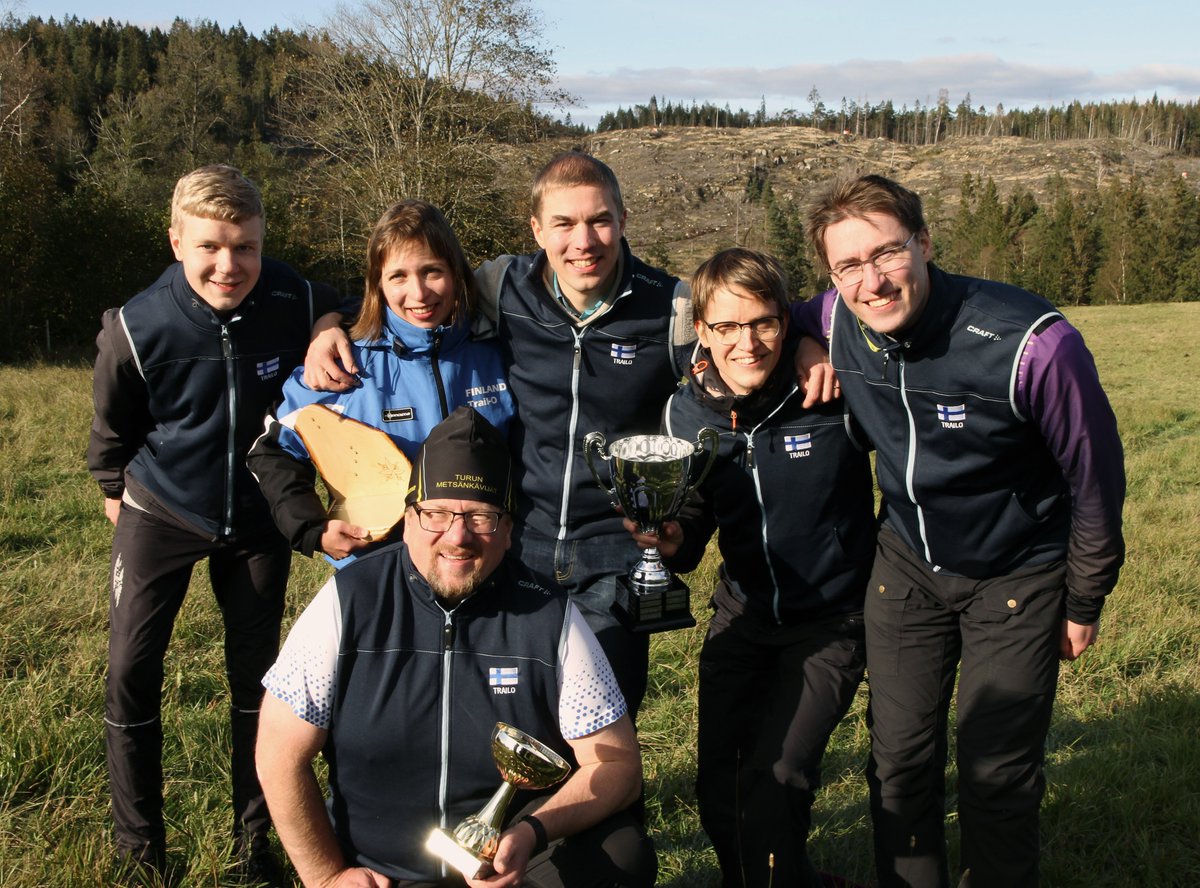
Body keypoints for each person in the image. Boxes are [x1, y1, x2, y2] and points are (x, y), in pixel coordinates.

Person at [797, 174, 1126, 888]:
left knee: (996, 773)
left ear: (924, 243)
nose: (872, 282)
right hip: (908, 562)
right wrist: (800, 346)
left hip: (1017, 573)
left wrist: (1084, 599)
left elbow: (1096, 482)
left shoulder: (1032, 343)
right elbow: (773, 320)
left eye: (887, 254)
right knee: (898, 761)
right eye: (849, 266)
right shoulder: (832, 316)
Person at [304, 152, 696, 721]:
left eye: (599, 220)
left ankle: (604, 810)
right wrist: (328, 327)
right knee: (511, 715)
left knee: (603, 718)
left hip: (615, 548)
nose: (583, 240)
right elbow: (404, 294)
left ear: (623, 218)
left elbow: (747, 345)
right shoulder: (502, 286)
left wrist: (811, 343)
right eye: (563, 224)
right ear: (537, 230)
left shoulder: (673, 306)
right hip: (519, 543)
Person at [255, 406, 656, 888]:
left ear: (509, 531)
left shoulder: (550, 614)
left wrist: (531, 832)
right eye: (437, 514)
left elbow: (616, 764)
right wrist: (327, 877)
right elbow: (279, 755)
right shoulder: (349, 601)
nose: (458, 536)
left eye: (481, 517)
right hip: (382, 876)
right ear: (407, 520)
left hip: (508, 869)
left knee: (621, 853)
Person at [86, 164, 347, 884]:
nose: (228, 265)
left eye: (246, 248)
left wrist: (327, 326)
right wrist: (123, 501)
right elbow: (110, 439)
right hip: (162, 511)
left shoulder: (291, 298)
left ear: (263, 244)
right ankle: (141, 856)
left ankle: (253, 847)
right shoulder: (138, 325)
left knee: (255, 684)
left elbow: (338, 304)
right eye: (209, 247)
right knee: (130, 675)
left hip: (260, 520)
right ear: (177, 242)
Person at [624, 248, 876, 888]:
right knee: (720, 786)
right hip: (742, 616)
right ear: (702, 333)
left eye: (764, 323)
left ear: (786, 323)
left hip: (831, 621)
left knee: (780, 777)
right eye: (728, 327)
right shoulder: (686, 412)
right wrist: (670, 537)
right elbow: (693, 530)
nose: (749, 343)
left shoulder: (831, 389)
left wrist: (817, 345)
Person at [247, 199, 514, 566]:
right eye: (398, 277)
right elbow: (273, 448)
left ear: (456, 272)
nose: (419, 294)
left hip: (479, 568)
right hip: (377, 571)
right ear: (378, 284)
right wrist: (310, 527)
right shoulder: (343, 360)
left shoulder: (499, 350)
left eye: (432, 271)